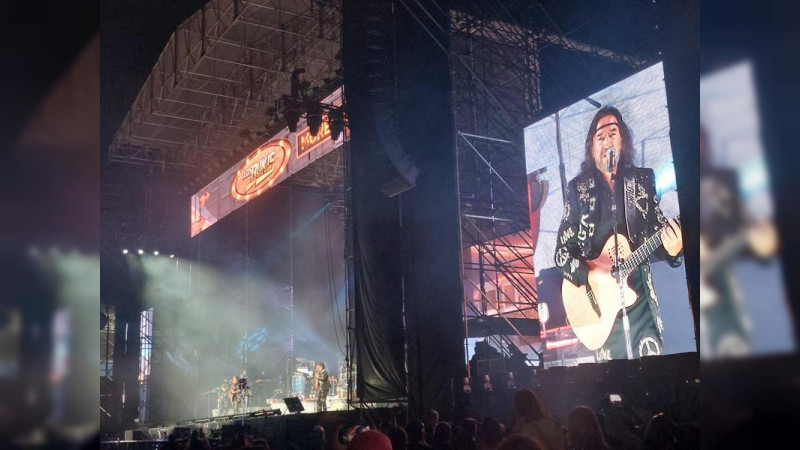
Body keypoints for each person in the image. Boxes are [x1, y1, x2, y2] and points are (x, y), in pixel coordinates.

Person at [554, 106, 683, 360]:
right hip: (601, 310)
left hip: (641, 305)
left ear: (622, 141)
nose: (607, 140)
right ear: (592, 147)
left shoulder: (642, 180)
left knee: (654, 375)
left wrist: (673, 248)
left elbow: (658, 236)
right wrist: (591, 272)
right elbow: (560, 254)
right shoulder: (578, 189)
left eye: (613, 133)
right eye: (600, 136)